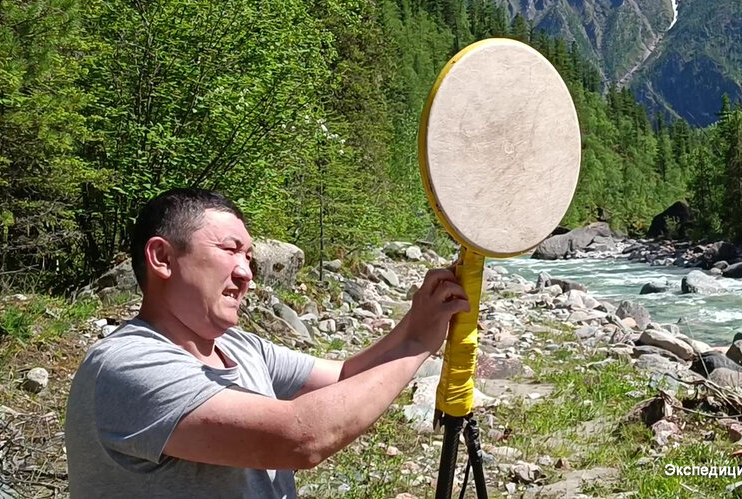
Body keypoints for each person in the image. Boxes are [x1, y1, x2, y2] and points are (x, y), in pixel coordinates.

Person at [64, 188, 470, 498]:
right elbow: (301, 438)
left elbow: (346, 376)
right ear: (163, 258)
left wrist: (418, 320)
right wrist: (418, 343)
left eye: (250, 258)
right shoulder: (125, 366)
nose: (247, 274)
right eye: (230, 251)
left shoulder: (240, 347)